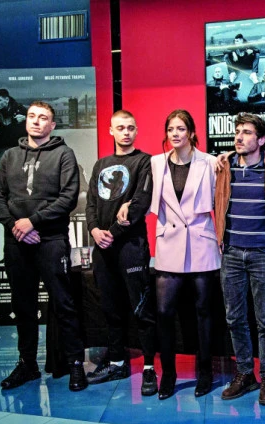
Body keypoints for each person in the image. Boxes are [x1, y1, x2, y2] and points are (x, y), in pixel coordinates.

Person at [0, 101, 86, 392]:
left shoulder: (64, 154)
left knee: (64, 304)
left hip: (51, 240)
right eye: (32, 116)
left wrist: (33, 222)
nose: (36, 121)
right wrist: (16, 226)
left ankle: (75, 364)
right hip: (17, 240)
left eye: (43, 118)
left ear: (52, 125)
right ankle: (27, 365)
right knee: (23, 306)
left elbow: (68, 198)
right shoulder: (10, 156)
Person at [214, 113, 265, 405]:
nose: (239, 137)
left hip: (263, 253)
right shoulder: (225, 166)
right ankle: (245, 373)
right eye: (237, 131)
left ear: (261, 139)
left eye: (246, 132)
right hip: (231, 252)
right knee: (234, 317)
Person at [148, 109, 220, 400]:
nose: (175, 134)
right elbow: (144, 196)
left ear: (191, 132)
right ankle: (169, 374)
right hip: (169, 243)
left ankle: (205, 372)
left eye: (180, 128)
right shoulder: (156, 163)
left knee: (204, 312)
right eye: (170, 129)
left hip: (202, 242)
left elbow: (222, 201)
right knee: (164, 312)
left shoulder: (210, 162)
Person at [84, 110, 157, 396]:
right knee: (110, 308)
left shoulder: (144, 161)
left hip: (131, 247)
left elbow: (140, 203)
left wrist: (111, 232)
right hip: (102, 247)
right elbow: (91, 203)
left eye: (130, 128)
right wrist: (94, 230)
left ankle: (149, 367)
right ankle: (116, 362)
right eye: (120, 127)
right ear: (111, 131)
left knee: (141, 308)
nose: (125, 132)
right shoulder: (101, 164)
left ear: (136, 131)